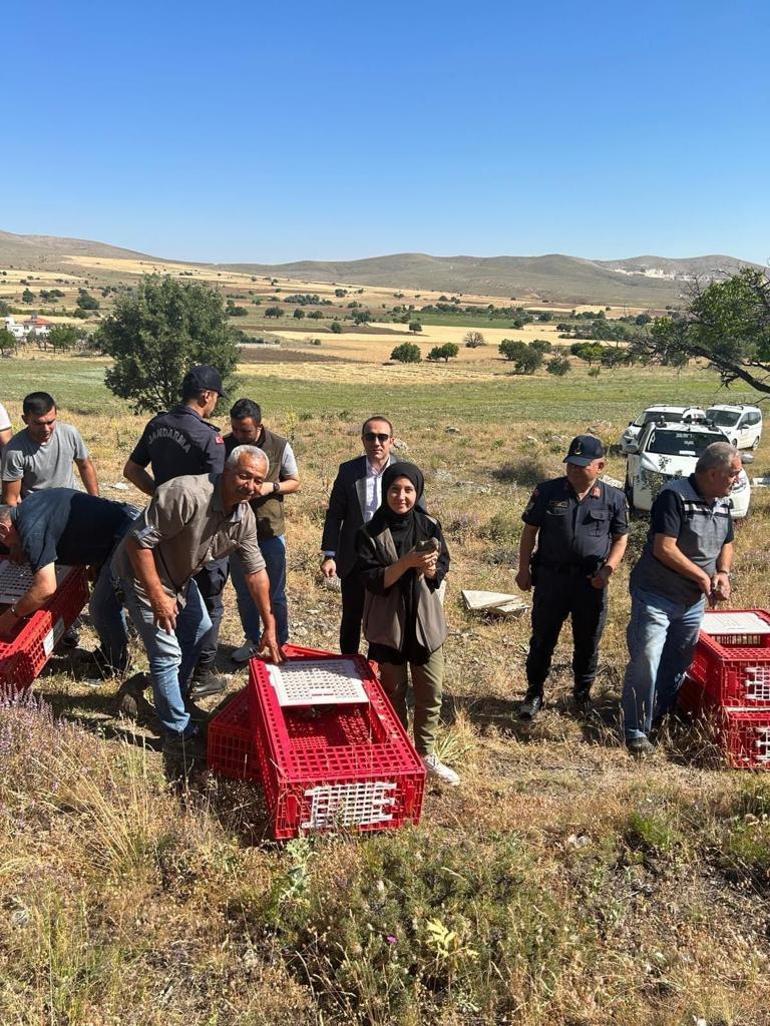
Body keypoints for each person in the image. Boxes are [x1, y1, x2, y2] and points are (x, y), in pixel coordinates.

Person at [112, 445, 283, 749]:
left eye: (258, 480)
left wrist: (269, 625)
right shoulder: (187, 494)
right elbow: (138, 544)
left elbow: (255, 572)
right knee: (167, 654)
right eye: (244, 476)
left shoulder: (242, 516)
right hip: (142, 575)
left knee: (202, 629)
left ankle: (171, 692)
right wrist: (157, 597)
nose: (251, 486)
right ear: (227, 471)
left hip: (178, 578)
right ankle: (177, 731)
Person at [621, 441, 739, 758]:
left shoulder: (723, 501)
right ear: (714, 473)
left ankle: (657, 715)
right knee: (647, 657)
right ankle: (634, 731)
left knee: (678, 662)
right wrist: (702, 577)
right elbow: (664, 547)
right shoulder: (674, 496)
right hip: (656, 595)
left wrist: (723, 572)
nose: (737, 480)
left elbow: (727, 540)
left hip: (691, 602)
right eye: (733, 473)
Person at [122, 365, 229, 699]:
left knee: (168, 597)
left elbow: (131, 469)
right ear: (207, 396)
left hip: (161, 531)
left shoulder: (158, 424)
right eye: (215, 399)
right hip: (198, 534)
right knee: (208, 606)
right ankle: (197, 676)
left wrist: (159, 496)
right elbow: (220, 493)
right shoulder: (208, 438)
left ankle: (168, 669)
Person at [355, 461, 459, 786]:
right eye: (395, 489)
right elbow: (371, 580)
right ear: (385, 491)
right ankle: (397, 755)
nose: (402, 496)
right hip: (389, 629)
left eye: (409, 490)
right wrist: (407, 563)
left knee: (431, 692)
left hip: (426, 625)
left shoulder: (429, 525)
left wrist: (428, 569)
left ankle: (426, 755)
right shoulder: (369, 532)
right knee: (393, 694)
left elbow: (441, 568)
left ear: (418, 492)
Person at [516, 435, 629, 720]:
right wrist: (523, 569)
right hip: (551, 579)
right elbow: (530, 531)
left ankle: (581, 693)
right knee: (542, 638)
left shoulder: (614, 498)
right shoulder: (547, 491)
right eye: (571, 465)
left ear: (600, 465)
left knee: (588, 640)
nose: (574, 471)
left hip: (590, 582)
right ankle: (534, 692)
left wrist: (608, 570)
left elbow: (620, 538)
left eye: (582, 466)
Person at [0, 491, 138, 675]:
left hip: (127, 535)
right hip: (122, 523)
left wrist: (10, 617)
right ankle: (110, 652)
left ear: (3, 528)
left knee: (102, 607)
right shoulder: (29, 507)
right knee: (105, 600)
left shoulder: (32, 530)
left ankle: (115, 665)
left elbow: (45, 588)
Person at [224, 399, 299, 662]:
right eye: (235, 429)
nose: (239, 436)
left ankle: (280, 641)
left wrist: (272, 488)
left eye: (245, 431)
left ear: (259, 426)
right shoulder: (225, 445)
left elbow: (294, 481)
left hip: (269, 531)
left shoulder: (280, 445)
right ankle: (252, 640)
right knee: (244, 590)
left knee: (275, 592)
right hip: (233, 531)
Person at [321, 416, 398, 654]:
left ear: (392, 441)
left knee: (382, 618)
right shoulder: (348, 471)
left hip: (389, 559)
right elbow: (335, 515)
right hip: (354, 557)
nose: (377, 442)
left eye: (382, 437)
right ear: (362, 440)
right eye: (370, 436)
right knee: (352, 617)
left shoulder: (402, 472)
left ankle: (376, 665)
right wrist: (330, 554)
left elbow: (418, 515)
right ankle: (349, 665)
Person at [1, 392, 99, 504]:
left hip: (70, 501)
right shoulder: (14, 450)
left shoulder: (70, 433)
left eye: (50, 422)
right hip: (37, 507)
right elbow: (10, 499)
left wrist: (96, 501)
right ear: (25, 420)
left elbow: (85, 466)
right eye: (39, 423)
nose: (46, 429)